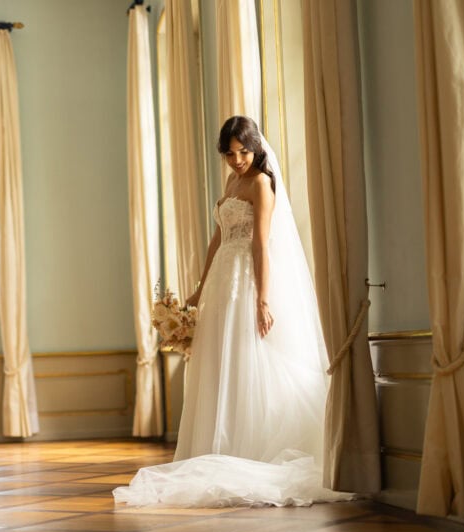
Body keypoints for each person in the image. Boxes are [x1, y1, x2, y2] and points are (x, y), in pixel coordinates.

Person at [114, 116, 354, 507]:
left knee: (246, 358)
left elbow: (261, 244)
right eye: (230, 154)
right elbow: (219, 238)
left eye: (243, 152)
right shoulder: (231, 182)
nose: (238, 160)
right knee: (216, 361)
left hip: (247, 279)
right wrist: (199, 287)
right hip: (223, 281)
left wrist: (262, 299)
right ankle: (214, 448)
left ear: (255, 147)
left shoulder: (261, 183)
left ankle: (247, 447)